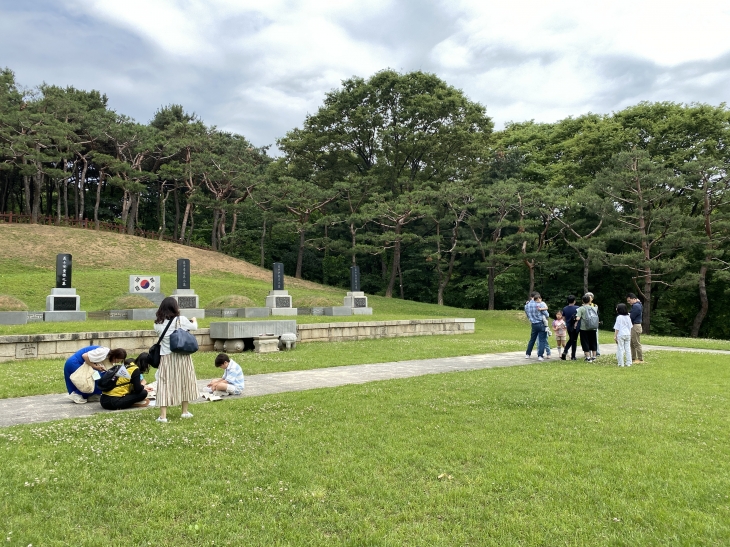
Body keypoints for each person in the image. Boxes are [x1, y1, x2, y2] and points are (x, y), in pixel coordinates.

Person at [153, 297, 199, 423]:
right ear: (175, 307)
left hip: (166, 356)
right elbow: (194, 327)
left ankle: (163, 416)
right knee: (185, 381)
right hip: (182, 356)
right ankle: (184, 411)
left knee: (164, 384)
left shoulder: (157, 323)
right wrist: (194, 319)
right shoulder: (182, 320)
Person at [524, 292, 549, 361]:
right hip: (541, 323)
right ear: (536, 297)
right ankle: (540, 356)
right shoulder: (539, 304)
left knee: (532, 339)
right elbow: (547, 315)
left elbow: (527, 314)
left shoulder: (527, 305)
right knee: (542, 340)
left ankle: (528, 354)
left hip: (533, 324)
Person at [575, 294, 599, 362]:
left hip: (584, 328)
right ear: (590, 301)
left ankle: (588, 357)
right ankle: (594, 356)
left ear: (582, 301)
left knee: (585, 342)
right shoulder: (594, 308)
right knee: (593, 341)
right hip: (593, 327)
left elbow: (578, 318)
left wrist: (575, 318)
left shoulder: (581, 309)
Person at [561, 295, 580, 360]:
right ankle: (573, 356)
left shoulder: (565, 308)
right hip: (575, 326)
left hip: (569, 326)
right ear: (574, 301)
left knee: (571, 339)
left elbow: (563, 318)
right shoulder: (577, 308)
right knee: (574, 340)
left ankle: (565, 351)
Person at [627, 293, 644, 363]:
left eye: (629, 300)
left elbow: (632, 316)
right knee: (632, 343)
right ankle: (633, 358)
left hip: (635, 326)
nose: (628, 302)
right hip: (634, 326)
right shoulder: (637, 304)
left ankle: (640, 359)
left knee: (636, 343)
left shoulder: (636, 306)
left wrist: (627, 315)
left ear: (634, 299)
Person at [585, 292, 600, 356]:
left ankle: (597, 352)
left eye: (590, 296)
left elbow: (597, 315)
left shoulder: (595, 306)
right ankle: (587, 352)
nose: (588, 297)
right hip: (586, 325)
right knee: (587, 340)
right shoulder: (584, 306)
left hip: (594, 324)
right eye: (587, 296)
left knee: (595, 339)